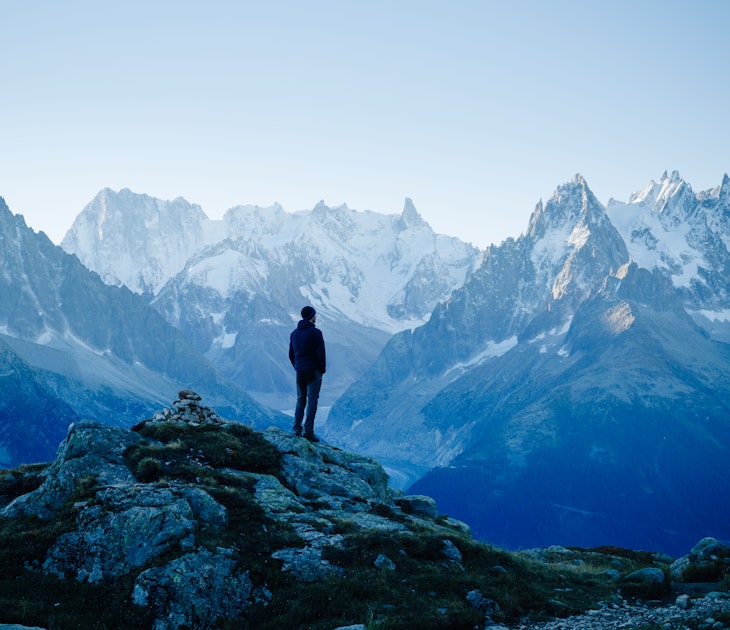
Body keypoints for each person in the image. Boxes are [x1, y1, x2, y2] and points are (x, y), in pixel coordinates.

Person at [288, 305, 326, 441]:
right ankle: (308, 431)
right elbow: (320, 353)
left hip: (300, 371)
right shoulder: (316, 333)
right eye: (315, 315)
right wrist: (322, 369)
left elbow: (291, 354)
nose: (316, 317)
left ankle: (297, 428)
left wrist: (297, 366)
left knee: (300, 400)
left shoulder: (294, 333)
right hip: (313, 370)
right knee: (312, 400)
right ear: (311, 316)